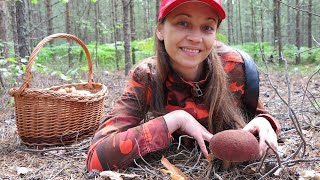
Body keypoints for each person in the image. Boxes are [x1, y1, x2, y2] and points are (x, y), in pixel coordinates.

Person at [86, 0, 281, 171]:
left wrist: (265, 122)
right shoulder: (147, 76)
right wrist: (174, 120)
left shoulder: (234, 68)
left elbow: (261, 116)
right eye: (183, 23)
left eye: (207, 28)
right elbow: (96, 157)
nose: (195, 38)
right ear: (160, 29)